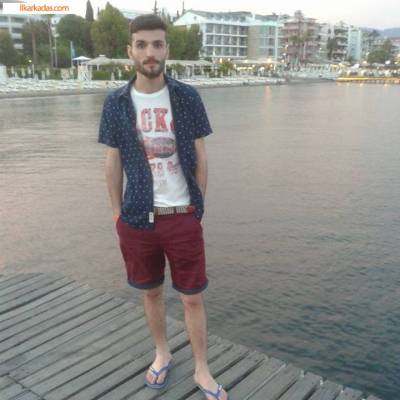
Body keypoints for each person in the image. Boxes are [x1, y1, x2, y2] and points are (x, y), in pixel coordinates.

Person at [98, 14, 228, 400]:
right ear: (130, 51)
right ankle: (162, 353)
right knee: (151, 293)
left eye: (157, 44)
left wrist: (196, 208)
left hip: (182, 215)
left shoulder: (188, 97)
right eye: (142, 45)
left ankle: (202, 369)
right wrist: (117, 213)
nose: (150, 52)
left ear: (166, 49)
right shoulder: (116, 103)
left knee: (192, 297)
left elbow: (201, 157)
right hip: (137, 219)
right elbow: (112, 161)